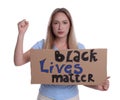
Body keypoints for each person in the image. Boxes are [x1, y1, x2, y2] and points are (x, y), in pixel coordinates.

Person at [14, 8, 110, 100]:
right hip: (45, 97)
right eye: (56, 23)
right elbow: (19, 61)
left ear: (70, 25)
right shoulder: (42, 45)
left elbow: (82, 78)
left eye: (64, 22)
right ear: (51, 26)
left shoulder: (79, 48)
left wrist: (97, 86)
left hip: (71, 97)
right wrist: (21, 34)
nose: (60, 27)